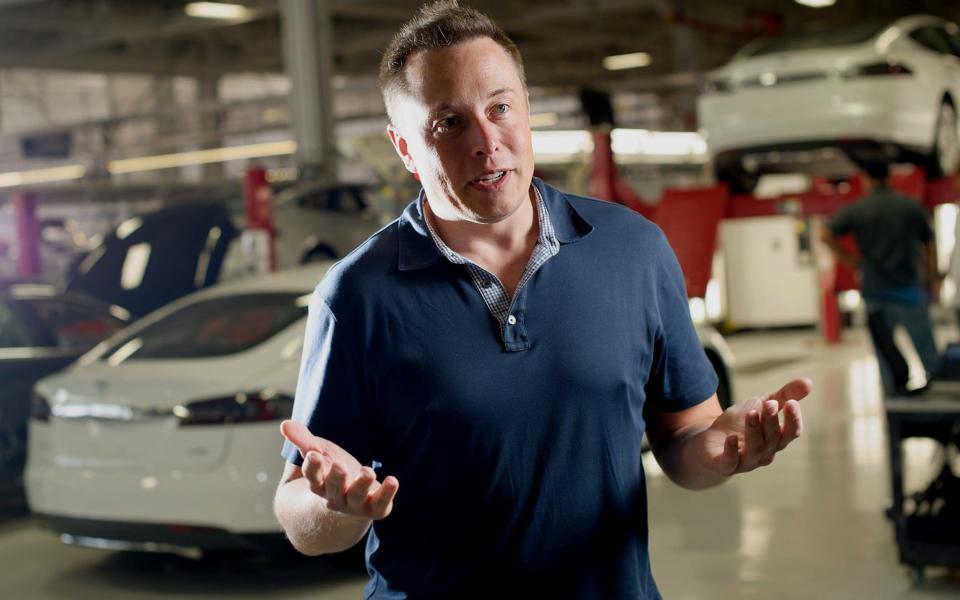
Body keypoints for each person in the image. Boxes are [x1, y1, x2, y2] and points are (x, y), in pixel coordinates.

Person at [274, 2, 810, 598]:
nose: (486, 141)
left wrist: (722, 447)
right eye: (449, 122)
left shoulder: (633, 250)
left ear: (528, 112)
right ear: (404, 148)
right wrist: (340, 508)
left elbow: (686, 434)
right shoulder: (357, 296)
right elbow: (300, 515)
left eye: (500, 108)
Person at [822, 156, 941, 396]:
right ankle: (940, 403)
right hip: (910, 292)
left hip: (876, 293)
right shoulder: (910, 206)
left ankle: (893, 404)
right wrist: (930, 279)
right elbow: (929, 244)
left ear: (866, 179)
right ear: (888, 177)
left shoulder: (858, 209)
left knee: (886, 357)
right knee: (928, 355)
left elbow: (826, 234)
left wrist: (851, 261)